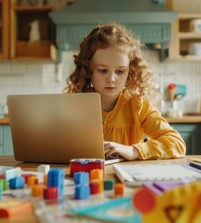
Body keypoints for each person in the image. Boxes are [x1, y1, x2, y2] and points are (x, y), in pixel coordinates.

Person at [64, 23, 186, 160]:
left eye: (120, 71)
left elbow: (177, 144)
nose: (111, 79)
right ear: (87, 69)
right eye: (102, 70)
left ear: (130, 71)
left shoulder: (138, 105)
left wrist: (134, 151)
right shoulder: (74, 104)